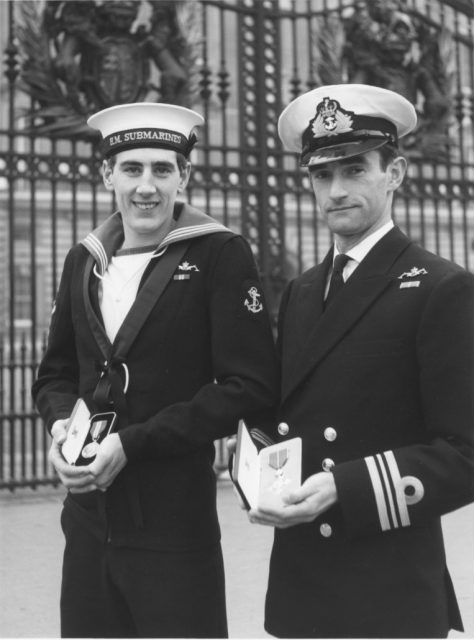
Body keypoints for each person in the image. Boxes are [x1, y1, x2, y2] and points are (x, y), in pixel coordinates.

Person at [32, 102, 278, 638]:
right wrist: (59, 430)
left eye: (162, 169)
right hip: (88, 523)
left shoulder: (219, 253)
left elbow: (250, 386)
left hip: (173, 524)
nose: (147, 186)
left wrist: (135, 443)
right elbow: (54, 375)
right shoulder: (84, 258)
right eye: (132, 168)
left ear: (184, 176)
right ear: (107, 175)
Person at [246, 84, 474, 638]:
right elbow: (287, 407)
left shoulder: (441, 287)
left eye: (354, 170)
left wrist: (342, 488)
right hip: (302, 578)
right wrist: (252, 461)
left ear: (393, 173)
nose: (336, 190)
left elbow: (465, 452)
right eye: (322, 175)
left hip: (387, 584)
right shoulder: (301, 291)